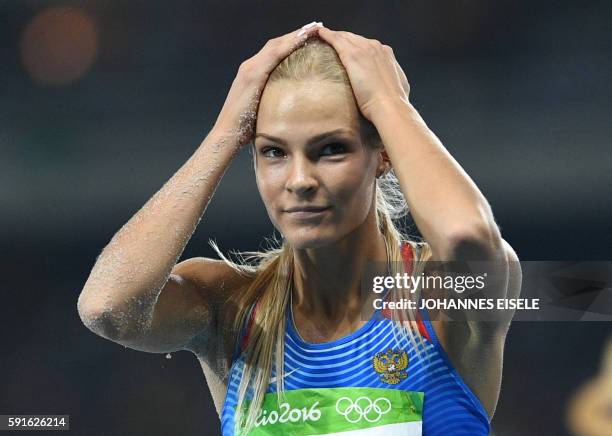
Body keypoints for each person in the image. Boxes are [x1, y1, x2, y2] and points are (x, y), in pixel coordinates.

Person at [77, 21, 522, 436]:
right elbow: (107, 308)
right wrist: (224, 133)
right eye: (273, 152)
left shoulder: (436, 298)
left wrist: (389, 104)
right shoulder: (231, 311)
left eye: (331, 149)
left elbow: (466, 235)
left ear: (382, 154)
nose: (300, 180)